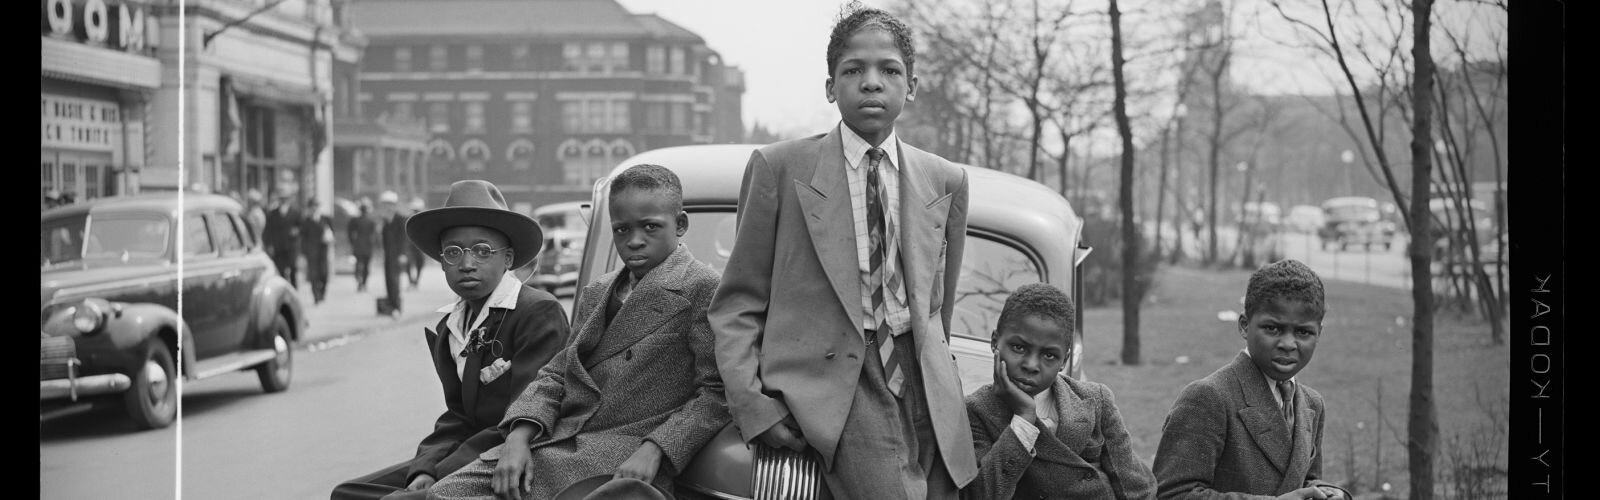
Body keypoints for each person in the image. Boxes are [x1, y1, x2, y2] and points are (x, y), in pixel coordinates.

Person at [706, 5, 976, 498]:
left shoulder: (945, 180)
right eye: (853, 71)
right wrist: (753, 405)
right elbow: (737, 303)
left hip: (925, 385)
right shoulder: (780, 169)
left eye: (889, 71)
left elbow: (939, 308)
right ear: (831, 87)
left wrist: (935, 377)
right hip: (840, 383)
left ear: (910, 86)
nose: (871, 83)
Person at [429, 165, 728, 500]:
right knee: (446, 494)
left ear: (681, 224)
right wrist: (517, 436)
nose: (634, 241)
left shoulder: (703, 288)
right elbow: (557, 374)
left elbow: (716, 394)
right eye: (621, 230)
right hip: (561, 440)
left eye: (650, 227)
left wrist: (656, 449)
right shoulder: (598, 291)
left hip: (626, 456)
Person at [330, 180, 569, 500]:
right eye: (454, 252)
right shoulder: (450, 326)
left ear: (508, 258)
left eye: (483, 251)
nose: (467, 264)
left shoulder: (536, 312)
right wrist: (425, 467)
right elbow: (458, 416)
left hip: (514, 456)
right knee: (347, 493)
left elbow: (524, 414)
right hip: (466, 454)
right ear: (442, 261)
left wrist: (442, 472)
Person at [1152, 259, 1352, 500]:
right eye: (1273, 329)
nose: (1288, 344)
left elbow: (1304, 479)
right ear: (1245, 326)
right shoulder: (1209, 397)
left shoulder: (1312, 403)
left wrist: (1328, 493)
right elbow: (1172, 494)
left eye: (1303, 332)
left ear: (1319, 333)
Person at [962, 283, 1155, 500]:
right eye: (1019, 348)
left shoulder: (1095, 400)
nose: (1031, 365)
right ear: (995, 342)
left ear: (1064, 360)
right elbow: (980, 495)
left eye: (1049, 355)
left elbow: (1136, 488)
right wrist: (1024, 420)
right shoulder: (975, 412)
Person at [300, 198, 336, 304]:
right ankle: (316, 295)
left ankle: (322, 292)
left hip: (323, 250)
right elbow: (303, 237)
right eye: (312, 207)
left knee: (324, 273)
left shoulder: (326, 219)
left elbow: (332, 233)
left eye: (316, 206)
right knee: (313, 274)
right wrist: (303, 252)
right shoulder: (306, 221)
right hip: (311, 251)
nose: (314, 209)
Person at [265, 195, 304, 288]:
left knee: (293, 268)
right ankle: (283, 289)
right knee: (280, 270)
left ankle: (294, 289)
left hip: (291, 246)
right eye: (282, 199)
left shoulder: (296, 212)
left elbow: (302, 227)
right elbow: (268, 230)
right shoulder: (272, 214)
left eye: (286, 199)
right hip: (278, 246)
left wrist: (297, 231)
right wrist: (269, 245)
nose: (284, 201)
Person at [380, 191, 408, 316]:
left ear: (394, 205)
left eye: (390, 204)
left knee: (394, 279)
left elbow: (404, 238)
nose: (387, 207)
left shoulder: (400, 219)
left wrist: (402, 254)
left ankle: (396, 305)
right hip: (388, 255)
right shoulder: (386, 221)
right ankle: (391, 304)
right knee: (388, 279)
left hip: (397, 255)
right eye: (385, 204)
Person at [349, 199, 379, 292]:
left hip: (358, 245)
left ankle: (360, 281)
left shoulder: (355, 220)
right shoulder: (371, 221)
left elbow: (350, 233)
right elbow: (374, 235)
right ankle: (364, 283)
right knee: (366, 266)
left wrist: (352, 242)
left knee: (359, 264)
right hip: (367, 246)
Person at [407, 197, 428, 289]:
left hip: (420, 246)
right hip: (410, 245)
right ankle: (411, 281)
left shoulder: (424, 220)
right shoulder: (408, 220)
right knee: (408, 264)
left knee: (420, 264)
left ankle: (416, 281)